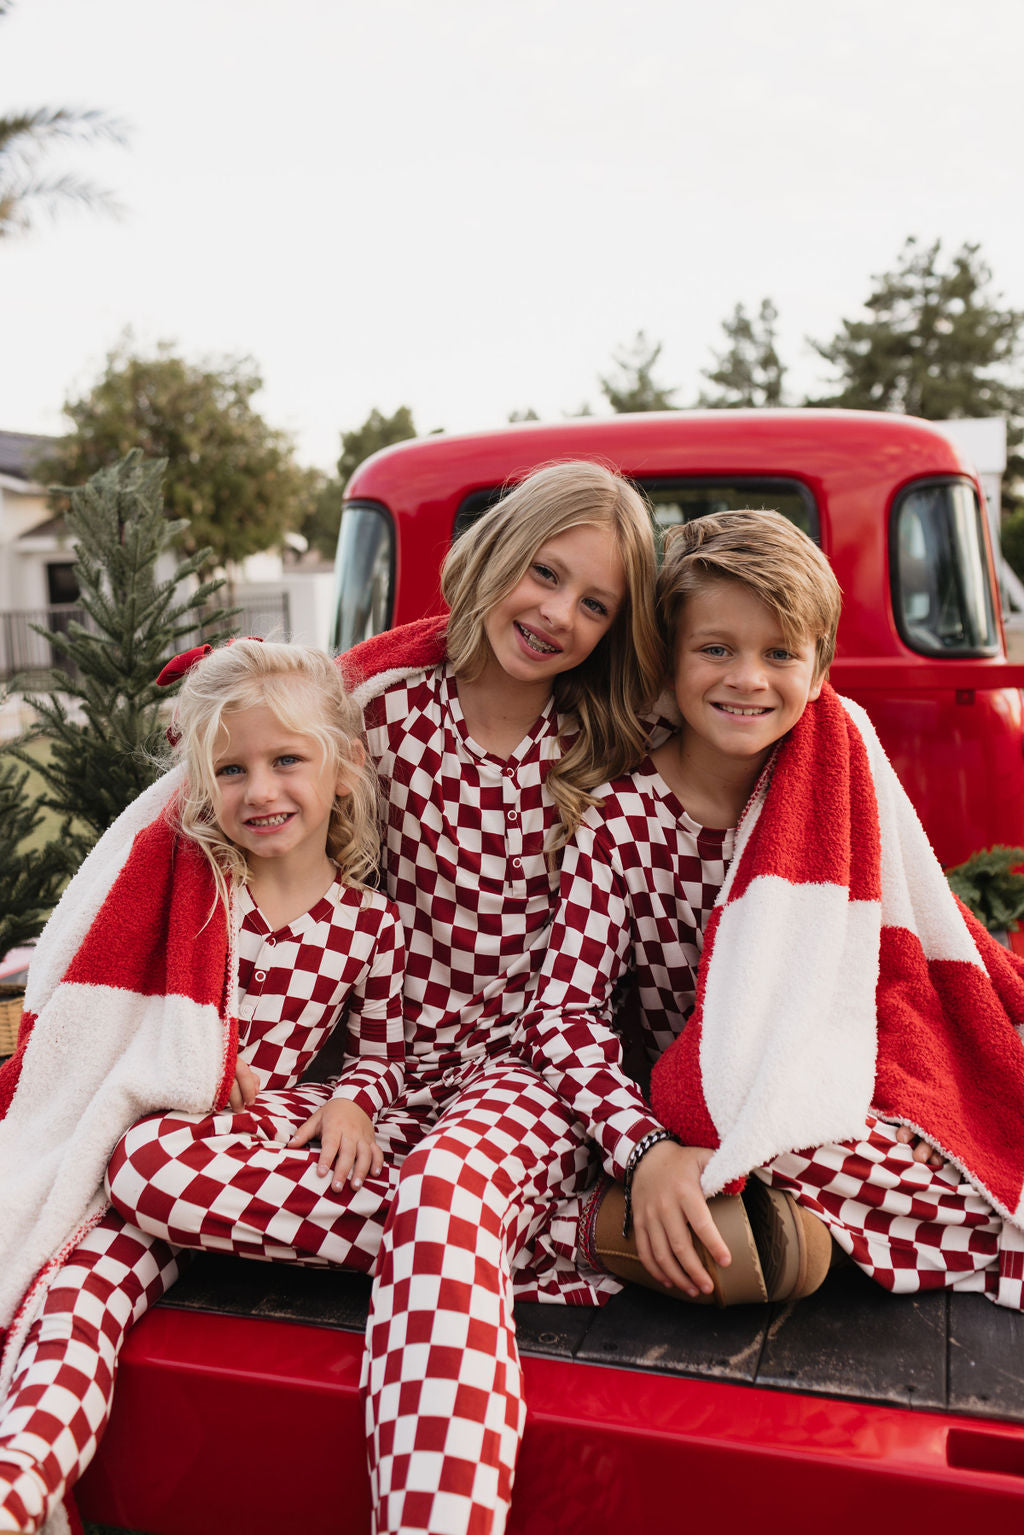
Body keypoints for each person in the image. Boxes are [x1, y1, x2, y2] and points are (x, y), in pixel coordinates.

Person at [2, 460, 665, 1535]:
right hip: (382, 1084)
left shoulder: (608, 749)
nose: (557, 613)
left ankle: (436, 1482)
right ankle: (548, 1235)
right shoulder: (385, 715)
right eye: (545, 573)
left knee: (445, 1194)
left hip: (520, 1078)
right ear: (497, 557)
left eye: (596, 603)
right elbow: (241, 766)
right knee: (140, 1167)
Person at [521, 508, 1024, 1315]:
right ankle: (604, 1222)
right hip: (688, 1105)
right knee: (787, 1158)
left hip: (813, 1078)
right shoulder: (623, 819)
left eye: (779, 653)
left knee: (956, 1153)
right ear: (667, 660)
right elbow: (563, 1013)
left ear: (818, 667)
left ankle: (792, 1228)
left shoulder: (834, 769)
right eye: (715, 648)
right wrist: (644, 1151)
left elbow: (903, 948)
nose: (748, 679)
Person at [0, 639, 405, 1535]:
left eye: (287, 760)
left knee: (149, 1166)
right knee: (79, 1295)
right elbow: (130, 1001)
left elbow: (381, 1052)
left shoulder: (370, 922)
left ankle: (418, 1233)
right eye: (232, 769)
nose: (260, 790)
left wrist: (353, 1100)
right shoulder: (199, 884)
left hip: (250, 1142)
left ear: (342, 770)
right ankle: (20, 1482)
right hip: (161, 1139)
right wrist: (204, 1064)